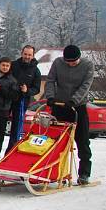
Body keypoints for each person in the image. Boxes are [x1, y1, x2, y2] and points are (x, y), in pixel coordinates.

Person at [44, 45, 95, 185]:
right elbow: (50, 80)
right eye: (68, 62)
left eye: (74, 62)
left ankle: (84, 173)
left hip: (78, 107)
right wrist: (50, 97)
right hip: (59, 106)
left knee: (82, 140)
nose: (71, 64)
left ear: (79, 58)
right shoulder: (58, 63)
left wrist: (74, 100)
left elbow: (86, 85)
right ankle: (52, 171)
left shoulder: (88, 65)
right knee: (55, 140)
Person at [7, 45, 42, 155]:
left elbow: (36, 89)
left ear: (33, 55)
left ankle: (10, 154)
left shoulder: (36, 71)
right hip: (8, 99)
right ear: (22, 53)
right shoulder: (13, 65)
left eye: (29, 55)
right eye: (25, 54)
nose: (27, 57)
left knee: (16, 129)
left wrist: (27, 90)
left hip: (22, 101)